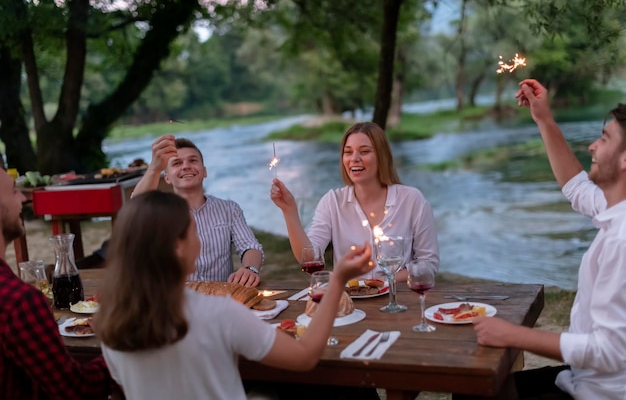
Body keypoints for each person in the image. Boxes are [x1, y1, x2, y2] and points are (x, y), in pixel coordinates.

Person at [96, 190, 374, 400]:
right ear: (178, 247)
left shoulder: (111, 321)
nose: (200, 240)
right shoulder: (218, 312)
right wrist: (336, 280)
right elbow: (305, 356)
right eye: (193, 232)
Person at [473, 79, 626, 400]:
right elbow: (576, 188)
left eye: (604, 138)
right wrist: (544, 118)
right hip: (584, 377)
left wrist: (514, 335)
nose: (592, 147)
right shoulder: (617, 210)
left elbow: (611, 351)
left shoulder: (622, 240)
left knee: (477, 386)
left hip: (601, 392)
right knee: (482, 383)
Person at [270, 122, 439, 282]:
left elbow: (428, 263)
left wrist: (382, 282)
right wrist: (289, 211)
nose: (354, 158)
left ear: (382, 156)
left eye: (364, 151)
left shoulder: (412, 200)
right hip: (352, 306)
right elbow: (308, 257)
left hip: (399, 303)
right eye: (348, 152)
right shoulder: (332, 202)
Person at [0, 168, 113, 399]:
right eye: (13, 191)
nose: (23, 197)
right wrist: (120, 351)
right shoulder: (19, 302)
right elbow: (75, 389)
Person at [133, 135, 263, 286]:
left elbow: (250, 246)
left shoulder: (229, 209)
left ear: (204, 171)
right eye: (177, 163)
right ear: (167, 178)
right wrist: (154, 168)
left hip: (221, 297)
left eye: (193, 160)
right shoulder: (160, 212)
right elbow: (136, 208)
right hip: (175, 299)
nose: (186, 166)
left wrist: (250, 269)